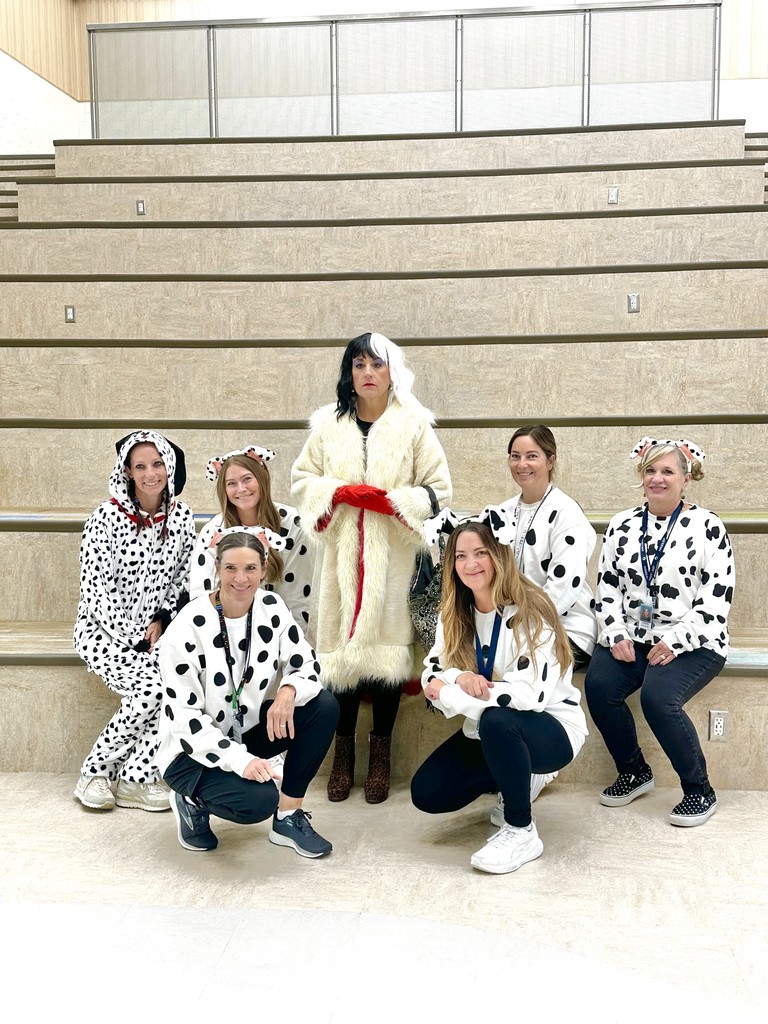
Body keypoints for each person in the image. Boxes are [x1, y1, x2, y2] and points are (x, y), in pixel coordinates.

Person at [291, 331, 452, 803]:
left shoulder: (415, 426)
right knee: (340, 660)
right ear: (350, 373)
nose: (367, 373)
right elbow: (302, 480)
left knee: (386, 657)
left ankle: (379, 753)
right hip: (340, 559)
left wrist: (391, 503)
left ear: (391, 371)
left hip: (393, 558)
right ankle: (342, 753)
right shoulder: (328, 425)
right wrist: (337, 494)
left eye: (376, 365)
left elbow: (439, 488)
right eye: (358, 365)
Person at [411, 507, 588, 874]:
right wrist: (458, 677)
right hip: (492, 727)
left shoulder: (530, 609)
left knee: (497, 719)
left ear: (499, 555)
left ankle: (521, 829)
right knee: (428, 793)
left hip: (551, 728)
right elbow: (431, 671)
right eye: (460, 555)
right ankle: (519, 775)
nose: (470, 563)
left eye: (480, 553)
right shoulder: (455, 610)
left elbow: (527, 697)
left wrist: (448, 693)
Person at [157, 530, 338, 855]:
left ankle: (288, 817)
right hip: (189, 751)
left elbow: (306, 663)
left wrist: (289, 689)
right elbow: (186, 721)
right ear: (217, 568)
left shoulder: (271, 607)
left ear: (264, 570)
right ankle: (190, 799)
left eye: (250, 569)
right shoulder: (184, 630)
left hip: (242, 729)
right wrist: (242, 761)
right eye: (231, 569)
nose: (241, 579)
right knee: (257, 801)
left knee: (323, 707)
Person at [585, 437, 734, 827]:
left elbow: (715, 602)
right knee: (599, 686)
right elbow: (607, 587)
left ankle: (699, 789)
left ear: (686, 479)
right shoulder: (622, 524)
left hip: (695, 639)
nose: (657, 478)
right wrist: (615, 633)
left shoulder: (708, 527)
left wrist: (675, 640)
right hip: (633, 634)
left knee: (657, 698)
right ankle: (633, 772)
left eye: (667, 471)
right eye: (650, 470)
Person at [73, 430, 195, 812]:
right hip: (103, 632)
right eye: (140, 466)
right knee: (150, 690)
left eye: (157, 464)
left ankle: (135, 779)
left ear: (169, 466)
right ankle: (94, 772)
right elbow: (96, 591)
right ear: (127, 471)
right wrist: (134, 637)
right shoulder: (105, 518)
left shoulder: (182, 517)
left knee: (176, 687)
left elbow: (182, 580)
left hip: (157, 634)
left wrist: (162, 621)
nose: (150, 473)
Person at [502, 425, 597, 669]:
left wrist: (518, 627)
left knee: (518, 671)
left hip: (566, 628)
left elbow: (563, 589)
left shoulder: (566, 514)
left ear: (550, 461)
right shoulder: (504, 511)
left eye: (532, 456)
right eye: (515, 456)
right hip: (516, 624)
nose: (522, 464)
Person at [190, 445, 312, 629]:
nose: (241, 489)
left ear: (262, 479)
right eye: (231, 483)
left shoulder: (292, 523)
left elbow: (299, 598)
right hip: (225, 632)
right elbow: (202, 596)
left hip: (281, 632)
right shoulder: (213, 531)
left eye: (247, 479)